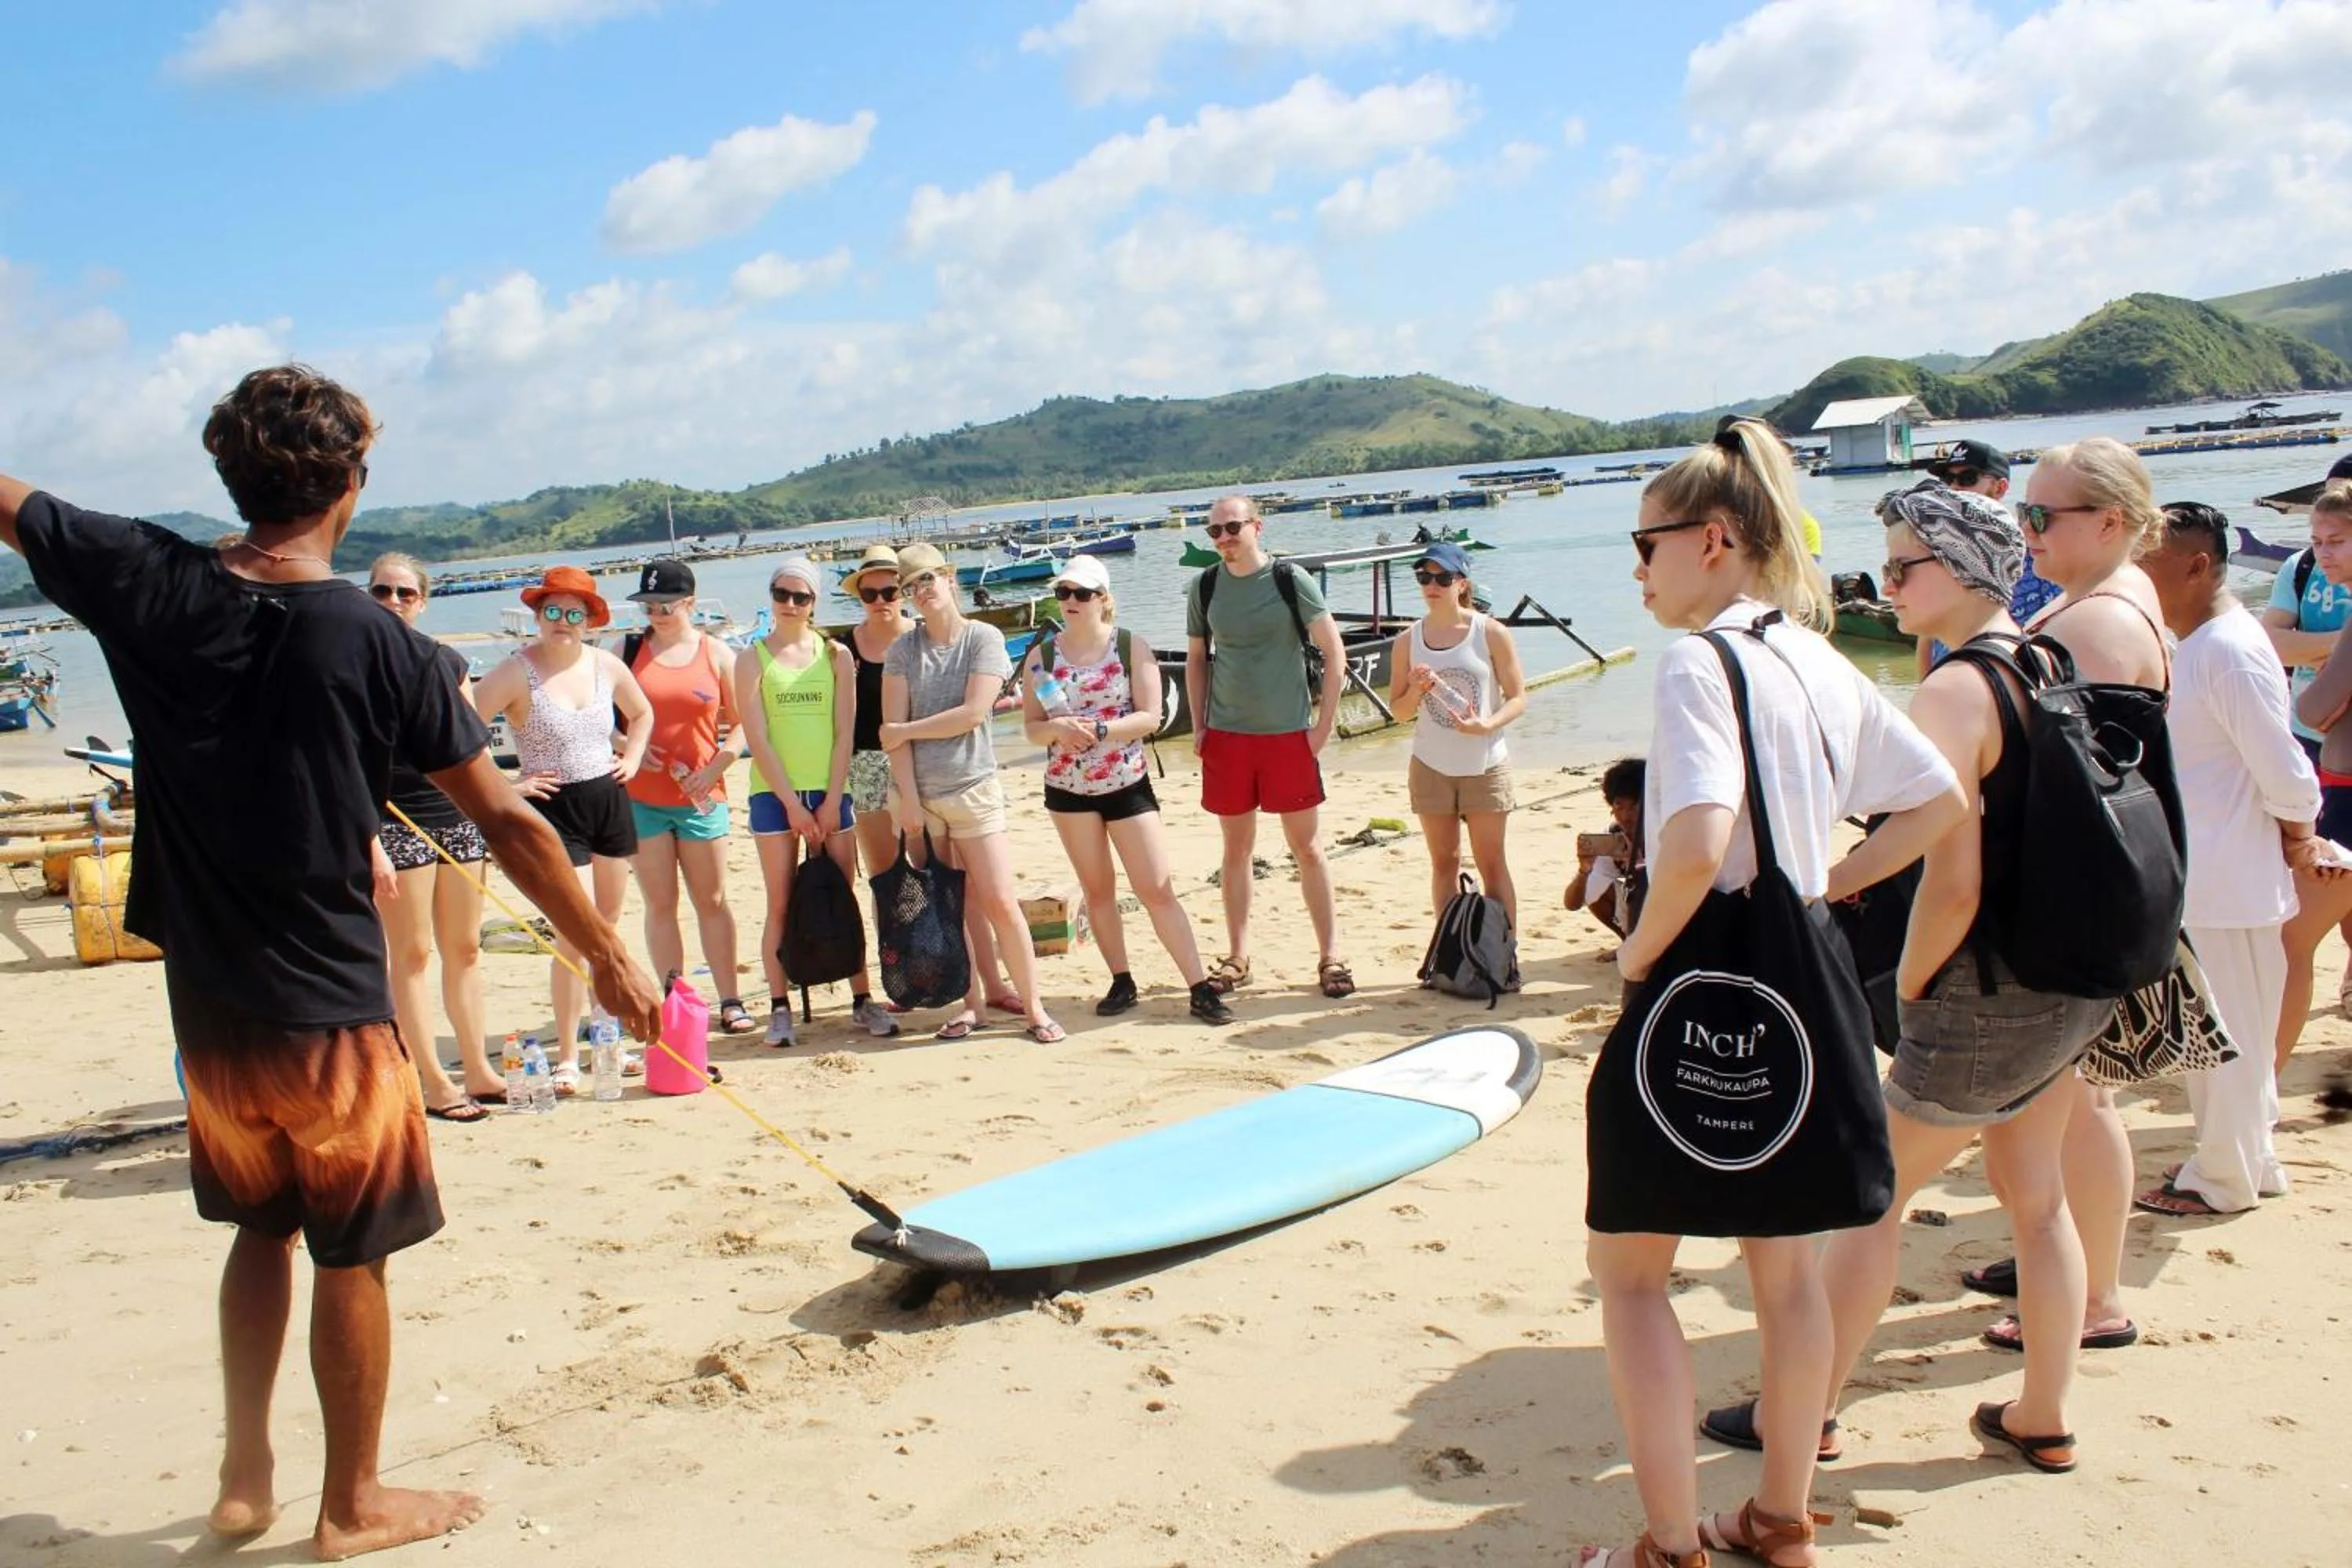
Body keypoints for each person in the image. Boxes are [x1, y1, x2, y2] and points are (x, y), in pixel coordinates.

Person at [0, 365, 659, 1559]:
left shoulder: (148, 575)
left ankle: (245, 1474)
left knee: (262, 1229)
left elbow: (10, 501)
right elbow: (506, 820)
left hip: (209, 1003)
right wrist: (606, 951)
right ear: (351, 485)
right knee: (354, 1249)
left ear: (230, 474)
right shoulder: (378, 638)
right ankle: (350, 1503)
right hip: (331, 1005)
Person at [1581, 421, 1962, 1568]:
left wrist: (1637, 952)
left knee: (1630, 1274)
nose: (1636, 571)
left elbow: (1696, 839)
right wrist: (1830, 882)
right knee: (1787, 1271)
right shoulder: (1815, 655)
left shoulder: (1699, 661)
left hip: (1702, 984)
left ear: (1711, 539)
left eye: (1644, 545)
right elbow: (1939, 797)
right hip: (1809, 984)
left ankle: (1669, 1544)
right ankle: (1781, 1518)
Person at [1704, 478, 2114, 1507]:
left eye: (1903, 567)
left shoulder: (1954, 689)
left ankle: (1805, 1412)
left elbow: (1953, 877)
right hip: (2069, 978)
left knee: (1868, 1201)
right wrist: (1838, 885)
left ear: (1963, 569)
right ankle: (2044, 1412)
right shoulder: (2045, 656)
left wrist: (1919, 984)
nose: (1884, 586)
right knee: (2038, 1199)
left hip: (1987, 990)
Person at [2133, 501, 2321, 1215]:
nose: (2137, 575)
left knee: (2224, 1035)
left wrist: (2300, 837)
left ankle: (2224, 1178)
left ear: (2197, 565)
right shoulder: (2208, 644)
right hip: (2217, 872)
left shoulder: (2225, 649)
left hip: (2229, 875)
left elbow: (2285, 767)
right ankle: (2248, 1162)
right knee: (2226, 1031)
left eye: (2149, 562)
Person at [1018, 554, 1232, 1024]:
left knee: (1156, 888)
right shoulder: (1043, 657)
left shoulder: (1131, 645)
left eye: (1081, 593)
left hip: (1126, 782)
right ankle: (1121, 980)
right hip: (1067, 790)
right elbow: (1032, 728)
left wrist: (1100, 730)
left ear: (1103, 599)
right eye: (1063, 593)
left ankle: (1199, 987)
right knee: (1098, 891)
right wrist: (1057, 730)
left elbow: (1151, 716)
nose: (1071, 600)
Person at [473, 565, 653, 1091]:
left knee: (607, 928)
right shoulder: (515, 671)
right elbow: (461, 731)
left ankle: (608, 1042)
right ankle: (570, 1056)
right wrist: (509, 786)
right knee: (574, 933)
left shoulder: (605, 665)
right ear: (537, 615)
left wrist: (633, 759)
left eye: (575, 614)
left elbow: (642, 714)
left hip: (607, 799)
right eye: (553, 611)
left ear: (590, 621)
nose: (563, 622)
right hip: (553, 808)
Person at [880, 543, 1065, 1043]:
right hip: (921, 798)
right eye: (910, 586)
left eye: (927, 579)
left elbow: (972, 713)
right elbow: (890, 737)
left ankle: (1034, 1007)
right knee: (950, 908)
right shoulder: (903, 650)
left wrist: (906, 730)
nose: (920, 592)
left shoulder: (983, 637)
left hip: (973, 788)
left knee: (1000, 901)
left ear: (948, 577)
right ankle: (972, 1005)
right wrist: (909, 798)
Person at [1183, 494, 1353, 999]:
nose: (1224, 539)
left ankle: (1330, 956)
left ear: (1256, 527)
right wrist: (1199, 725)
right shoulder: (1205, 585)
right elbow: (1196, 660)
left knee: (1308, 849)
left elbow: (1335, 652)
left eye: (1232, 528)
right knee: (1236, 850)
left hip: (1287, 735)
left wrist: (1323, 726)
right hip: (1228, 737)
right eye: (1214, 531)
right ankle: (1238, 957)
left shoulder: (1289, 579)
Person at [734, 556, 898, 1042]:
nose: (790, 604)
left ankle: (862, 999)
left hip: (831, 791)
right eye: (781, 594)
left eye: (800, 596)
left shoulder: (836, 655)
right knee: (781, 902)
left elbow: (844, 731)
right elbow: (757, 737)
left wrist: (829, 800)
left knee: (842, 896)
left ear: (814, 602)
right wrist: (791, 803)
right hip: (774, 794)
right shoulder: (751, 658)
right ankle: (779, 1006)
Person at [363, 554, 496, 1116]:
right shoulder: (354, 662)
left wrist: (495, 813)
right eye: (381, 591)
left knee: (464, 948)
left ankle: (479, 1067)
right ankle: (433, 1080)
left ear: (422, 601)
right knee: (412, 953)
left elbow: (473, 745)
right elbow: (342, 760)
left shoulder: (447, 661)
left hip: (457, 817)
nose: (393, 602)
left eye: (405, 593)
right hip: (394, 819)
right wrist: (369, 840)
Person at [619, 558, 753, 1036]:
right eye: (649, 605)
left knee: (711, 900)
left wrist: (717, 766)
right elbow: (598, 720)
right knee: (660, 903)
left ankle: (731, 999)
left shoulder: (716, 653)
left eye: (666, 605)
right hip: (642, 798)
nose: (656, 613)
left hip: (702, 797)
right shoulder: (626, 650)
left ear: (691, 604)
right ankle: (674, 997)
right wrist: (629, 747)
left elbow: (744, 724)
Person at [1388, 539, 1527, 938]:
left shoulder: (1490, 632)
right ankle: (1449, 953)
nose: (1432, 585)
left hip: (1486, 762)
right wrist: (1416, 689)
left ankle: (1504, 951)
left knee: (1491, 863)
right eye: (1424, 577)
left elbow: (1518, 697)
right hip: (1430, 765)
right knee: (1444, 863)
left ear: (1462, 583)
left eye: (1443, 578)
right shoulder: (1407, 641)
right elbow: (1399, 712)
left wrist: (1487, 724)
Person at [2271, 479, 2352, 1065]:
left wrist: (2324, 667)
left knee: (2293, 938)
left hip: (2345, 790)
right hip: (2338, 783)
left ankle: (2264, 1080)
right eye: (2317, 542)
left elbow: (2313, 708)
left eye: (2337, 541)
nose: (2323, 554)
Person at [1915, 439, 2057, 673]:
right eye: (1948, 479)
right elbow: (1928, 635)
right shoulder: (1939, 552)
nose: (1954, 488)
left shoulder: (2036, 553)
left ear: (1999, 488)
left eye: (1967, 479)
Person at [1566, 757, 1645, 938]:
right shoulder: (1613, 839)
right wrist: (1584, 870)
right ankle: (1629, 942)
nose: (1626, 816)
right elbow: (1573, 904)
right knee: (1599, 894)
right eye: (1619, 805)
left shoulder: (1667, 834)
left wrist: (1638, 864)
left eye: (1634, 806)